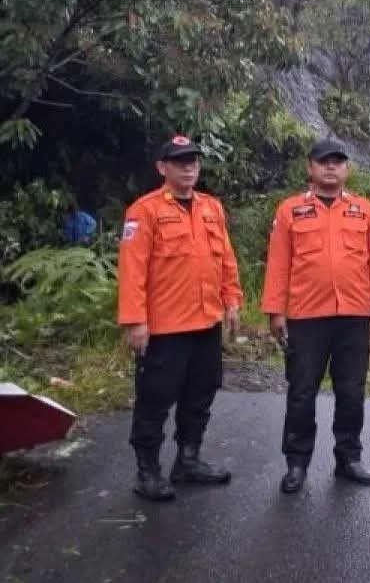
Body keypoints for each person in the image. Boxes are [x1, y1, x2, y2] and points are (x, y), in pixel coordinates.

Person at [262, 139, 370, 494]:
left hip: (354, 315)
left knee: (351, 391)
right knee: (302, 392)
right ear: (311, 168)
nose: (331, 168)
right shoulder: (291, 210)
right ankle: (296, 462)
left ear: (347, 169)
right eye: (324, 162)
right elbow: (278, 263)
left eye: (338, 162)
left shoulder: (362, 210)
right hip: (306, 316)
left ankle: (349, 458)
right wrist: (276, 311)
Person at [117, 135, 242, 502]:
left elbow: (227, 259)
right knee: (154, 400)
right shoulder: (144, 211)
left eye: (193, 161)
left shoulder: (211, 208)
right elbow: (132, 270)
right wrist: (135, 321)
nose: (189, 167)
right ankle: (148, 470)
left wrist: (232, 299)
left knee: (200, 395)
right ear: (162, 167)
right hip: (165, 327)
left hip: (206, 322)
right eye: (180, 161)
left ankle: (188, 460)